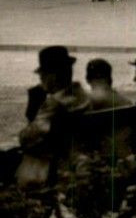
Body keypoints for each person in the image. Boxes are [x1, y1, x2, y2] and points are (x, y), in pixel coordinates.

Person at [16, 45, 87, 185]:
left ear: (52, 77)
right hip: (77, 155)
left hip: (53, 165)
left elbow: (26, 139)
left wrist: (33, 111)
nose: (40, 79)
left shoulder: (54, 104)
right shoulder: (83, 96)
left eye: (42, 74)